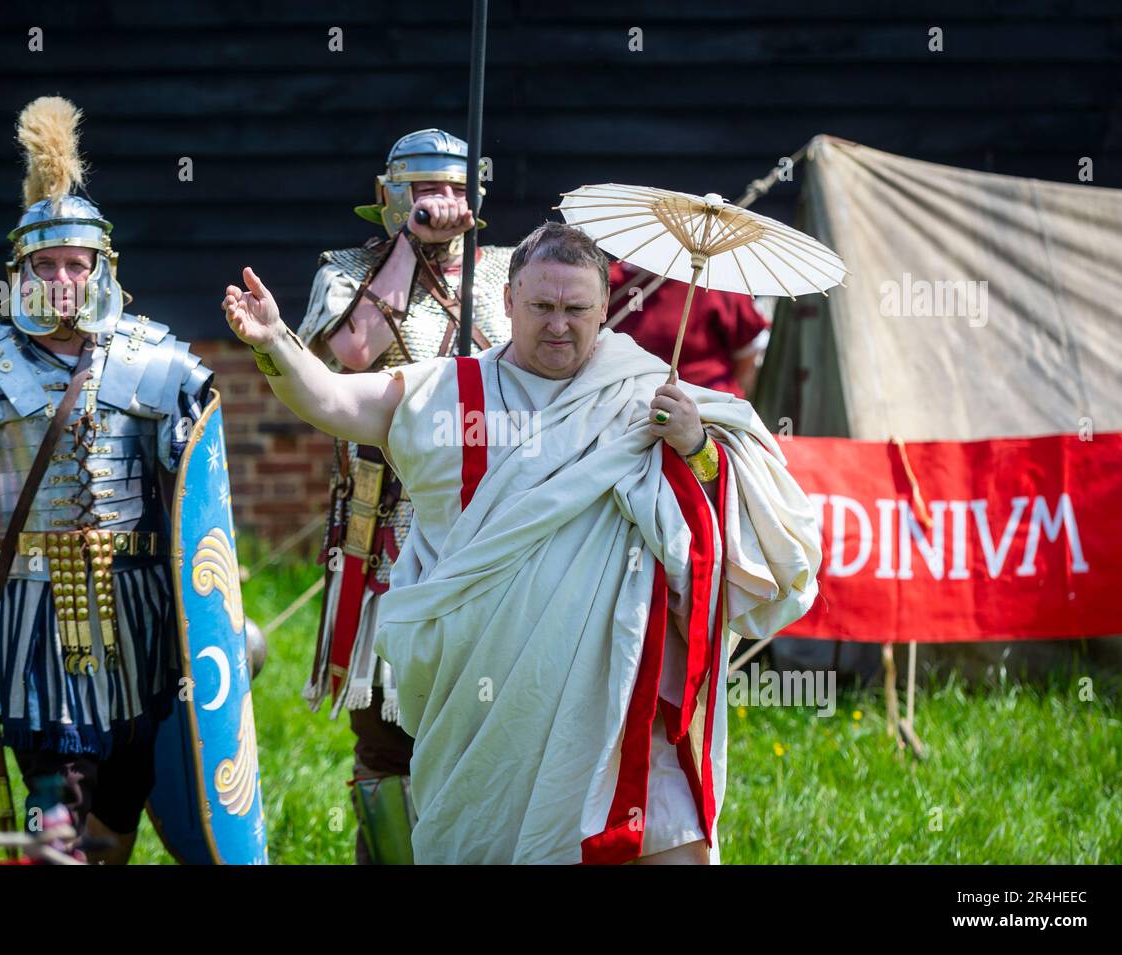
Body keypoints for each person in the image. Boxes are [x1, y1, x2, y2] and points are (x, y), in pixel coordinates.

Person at [224, 221, 821, 865]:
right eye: (541, 307)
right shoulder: (448, 393)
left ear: (604, 308)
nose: (559, 325)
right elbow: (335, 400)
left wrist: (696, 446)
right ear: (508, 302)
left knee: (667, 845)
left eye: (576, 309)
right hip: (490, 710)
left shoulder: (642, 390)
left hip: (627, 696)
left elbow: (766, 522)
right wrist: (274, 343)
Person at [0, 96, 212, 864]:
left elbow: (200, 486)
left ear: (100, 268)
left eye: (75, 264)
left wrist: (214, 574)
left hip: (141, 608)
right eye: (46, 264)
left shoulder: (155, 359)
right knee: (54, 792)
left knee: (122, 791)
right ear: (20, 271)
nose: (62, 279)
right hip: (33, 606)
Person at [292, 129, 513, 863]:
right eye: (424, 190)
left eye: (452, 189)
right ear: (391, 196)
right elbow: (343, 355)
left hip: (489, 530)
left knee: (491, 730)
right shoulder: (346, 271)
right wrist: (407, 250)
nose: (441, 204)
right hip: (386, 529)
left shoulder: (506, 273)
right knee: (390, 744)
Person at [606, 260, 770, 397]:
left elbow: (747, 352)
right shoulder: (610, 280)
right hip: (626, 408)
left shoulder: (719, 283)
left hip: (707, 412)